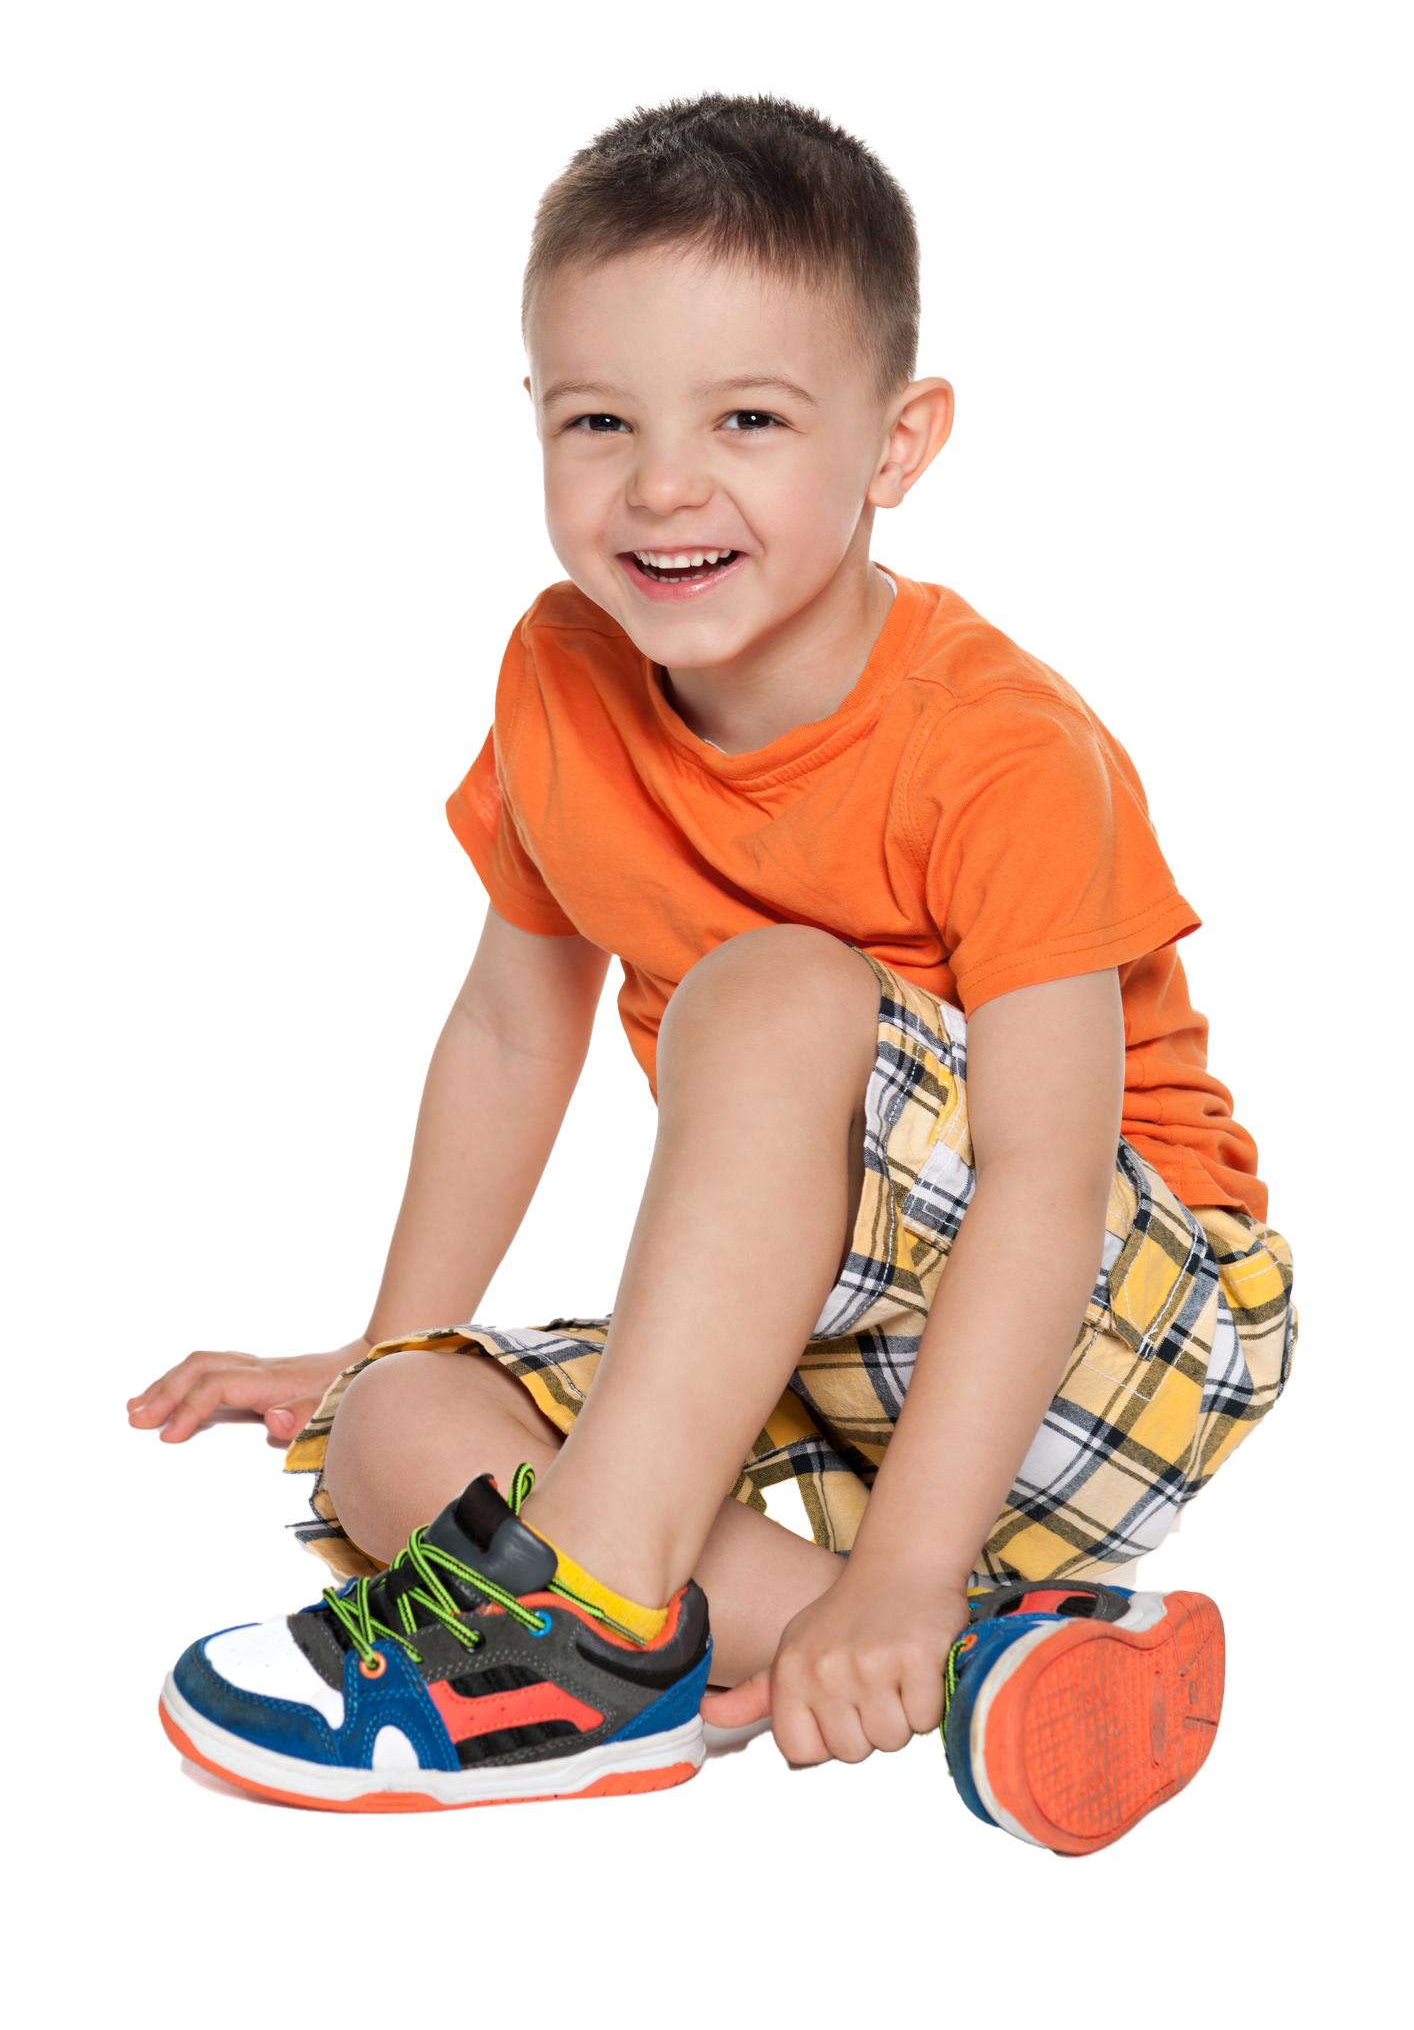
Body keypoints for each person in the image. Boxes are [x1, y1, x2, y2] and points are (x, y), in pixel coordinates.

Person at [131, 92, 1296, 1852]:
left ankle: (595, 1627)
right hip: (835, 1361)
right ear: (534, 420)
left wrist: (898, 1555)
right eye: (599, 420)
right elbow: (514, 1030)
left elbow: (1045, 1186)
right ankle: (982, 1668)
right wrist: (387, 1338)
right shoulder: (559, 675)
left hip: (1110, 1328)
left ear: (898, 444)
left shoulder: (998, 749)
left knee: (769, 988)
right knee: (392, 1436)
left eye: (748, 418)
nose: (661, 484)